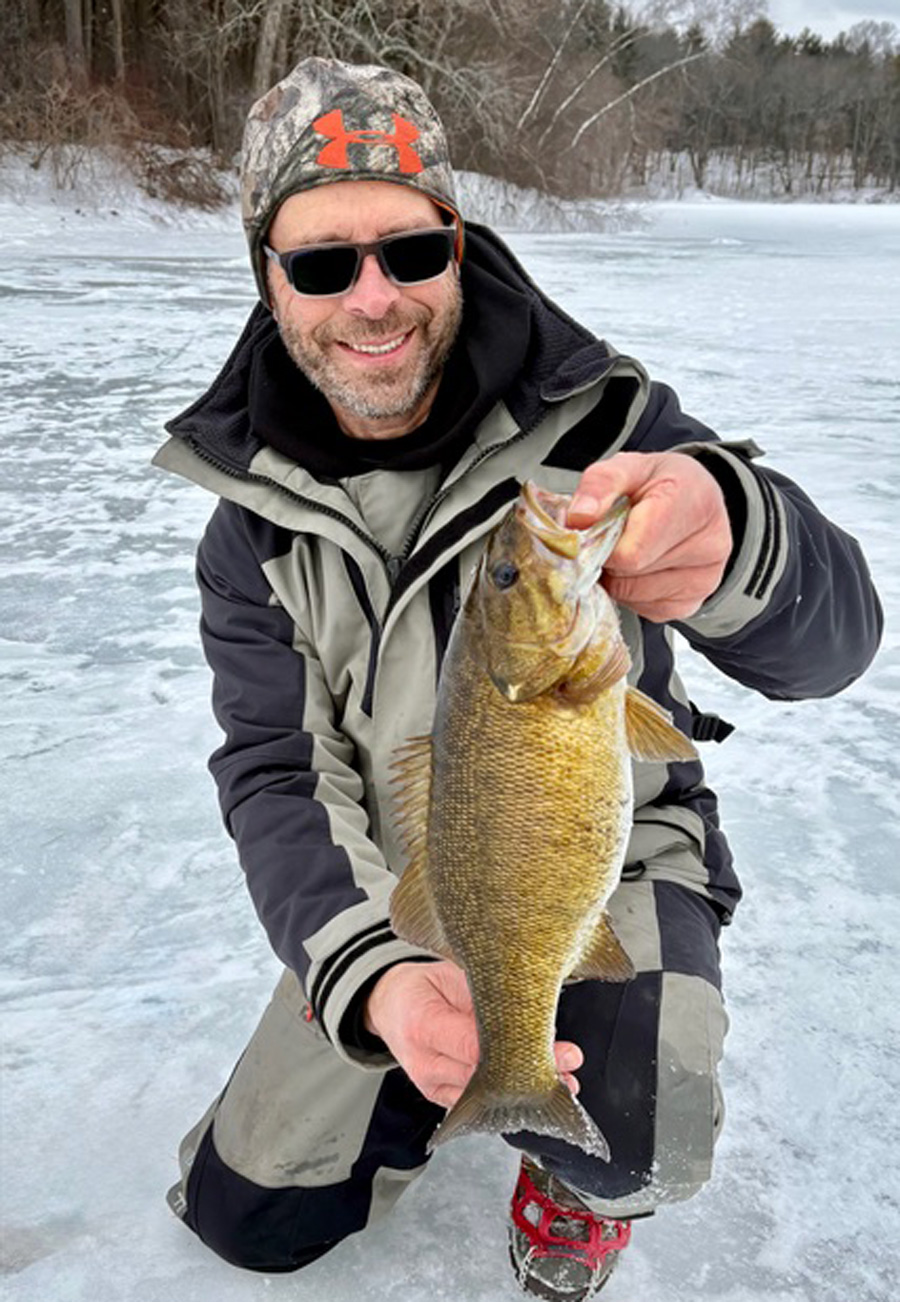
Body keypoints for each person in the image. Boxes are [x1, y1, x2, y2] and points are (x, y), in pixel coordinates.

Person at [155, 57, 882, 1300]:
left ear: (458, 240)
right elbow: (277, 772)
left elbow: (834, 647)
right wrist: (377, 981)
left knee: (639, 1127)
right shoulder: (249, 528)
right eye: (323, 264)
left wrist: (733, 536)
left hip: (606, 849)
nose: (372, 299)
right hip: (398, 883)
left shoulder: (605, 425)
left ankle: (562, 1160)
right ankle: (439, 1072)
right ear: (269, 280)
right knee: (248, 1219)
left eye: (409, 252)